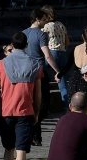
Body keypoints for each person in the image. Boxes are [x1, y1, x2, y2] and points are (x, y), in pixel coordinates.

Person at [0, 31, 43, 160]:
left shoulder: (1, 64)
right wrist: (36, 113)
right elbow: (38, 94)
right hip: (26, 112)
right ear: (26, 45)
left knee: (8, 147)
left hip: (6, 112)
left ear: (12, 45)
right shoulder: (35, 65)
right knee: (21, 149)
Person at [24, 8, 62, 145]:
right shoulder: (41, 35)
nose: (46, 22)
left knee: (31, 103)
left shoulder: (23, 34)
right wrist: (58, 71)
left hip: (26, 73)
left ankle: (35, 136)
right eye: (44, 19)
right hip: (39, 72)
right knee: (43, 104)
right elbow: (47, 55)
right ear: (37, 19)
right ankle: (35, 131)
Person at [41, 5, 70, 110]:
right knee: (62, 85)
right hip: (63, 54)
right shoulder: (61, 25)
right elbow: (67, 42)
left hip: (51, 54)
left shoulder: (46, 26)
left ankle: (44, 105)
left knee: (40, 74)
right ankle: (67, 107)